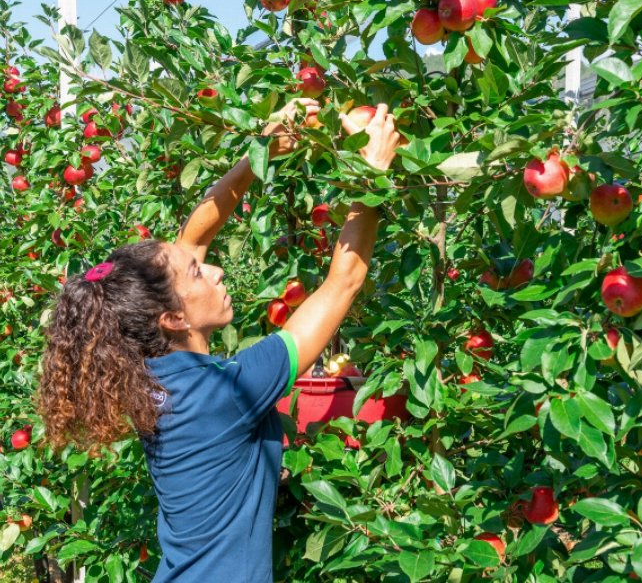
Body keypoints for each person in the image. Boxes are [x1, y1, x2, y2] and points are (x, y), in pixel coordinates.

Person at [37, 99, 403, 582]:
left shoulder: (152, 375)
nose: (216, 268)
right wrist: (370, 175)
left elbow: (192, 238)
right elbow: (343, 284)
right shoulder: (224, 394)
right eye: (198, 273)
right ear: (170, 317)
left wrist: (260, 155)